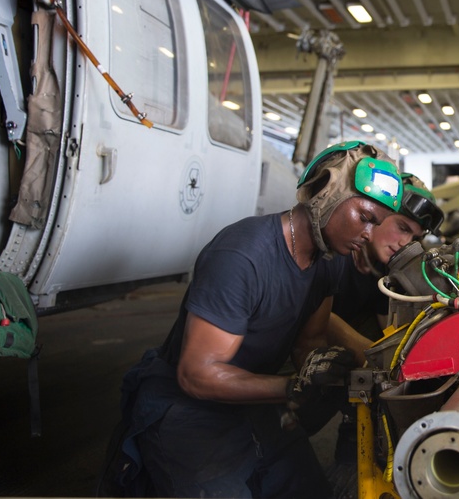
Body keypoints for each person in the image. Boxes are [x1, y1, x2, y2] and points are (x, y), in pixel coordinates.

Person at [113, 141, 404, 498]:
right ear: (327, 194)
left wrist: (333, 372)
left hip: (252, 404)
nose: (370, 234)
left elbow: (308, 344)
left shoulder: (331, 261)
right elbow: (196, 375)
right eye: (365, 218)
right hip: (188, 411)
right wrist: (291, 387)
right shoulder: (242, 255)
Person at [320, 173, 445, 498]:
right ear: (375, 213)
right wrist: (392, 366)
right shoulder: (335, 256)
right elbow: (320, 318)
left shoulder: (382, 272)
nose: (406, 242)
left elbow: (390, 332)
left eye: (414, 236)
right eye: (402, 227)